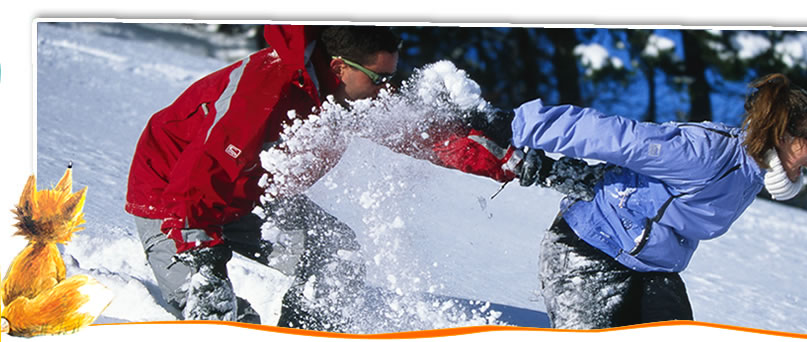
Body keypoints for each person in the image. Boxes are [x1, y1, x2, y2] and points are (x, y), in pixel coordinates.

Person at [125, 24, 560, 331]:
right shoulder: (266, 87)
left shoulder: (352, 97)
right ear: (339, 69)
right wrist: (203, 258)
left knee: (336, 255)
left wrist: (515, 163)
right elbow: (203, 173)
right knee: (214, 316)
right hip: (174, 205)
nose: (387, 91)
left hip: (251, 200)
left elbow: (429, 139)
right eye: (379, 79)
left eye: (392, 78)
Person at [470, 73, 807, 329]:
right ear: (782, 134)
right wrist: (517, 126)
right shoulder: (706, 153)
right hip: (589, 251)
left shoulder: (751, 175)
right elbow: (615, 138)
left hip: (653, 271)